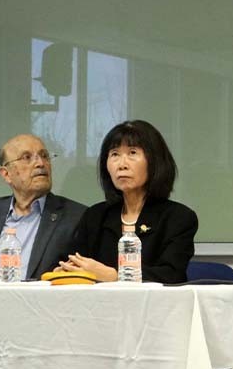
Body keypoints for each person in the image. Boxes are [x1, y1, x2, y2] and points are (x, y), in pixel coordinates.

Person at [57, 120, 198, 283]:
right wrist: (66, 269)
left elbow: (172, 275)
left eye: (132, 153)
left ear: (154, 161)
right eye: (115, 154)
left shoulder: (178, 218)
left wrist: (115, 276)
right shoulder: (95, 216)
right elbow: (74, 261)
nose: (122, 165)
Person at [0, 134, 86, 281]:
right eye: (27, 157)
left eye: (44, 156)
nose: (40, 163)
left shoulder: (77, 217)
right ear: (6, 174)